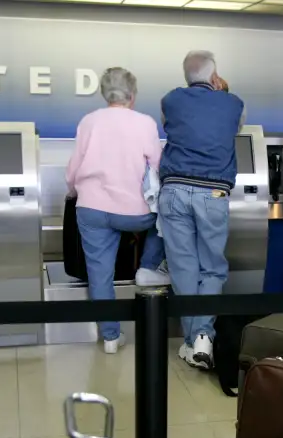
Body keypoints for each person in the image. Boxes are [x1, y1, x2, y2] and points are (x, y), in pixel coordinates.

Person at [66, 67, 169, 355]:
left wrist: (73, 190)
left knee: (100, 274)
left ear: (104, 93)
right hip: (135, 212)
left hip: (93, 209)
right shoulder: (145, 123)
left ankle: (110, 337)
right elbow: (158, 164)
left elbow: (74, 166)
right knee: (167, 219)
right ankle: (147, 269)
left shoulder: (88, 122)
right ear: (132, 95)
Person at [159, 50, 246, 369]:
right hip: (213, 193)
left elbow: (170, 126)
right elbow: (233, 130)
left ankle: (191, 340)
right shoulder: (234, 102)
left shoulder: (169, 100)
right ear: (214, 75)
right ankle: (203, 338)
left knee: (183, 268)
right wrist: (224, 92)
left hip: (174, 190)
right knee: (212, 268)